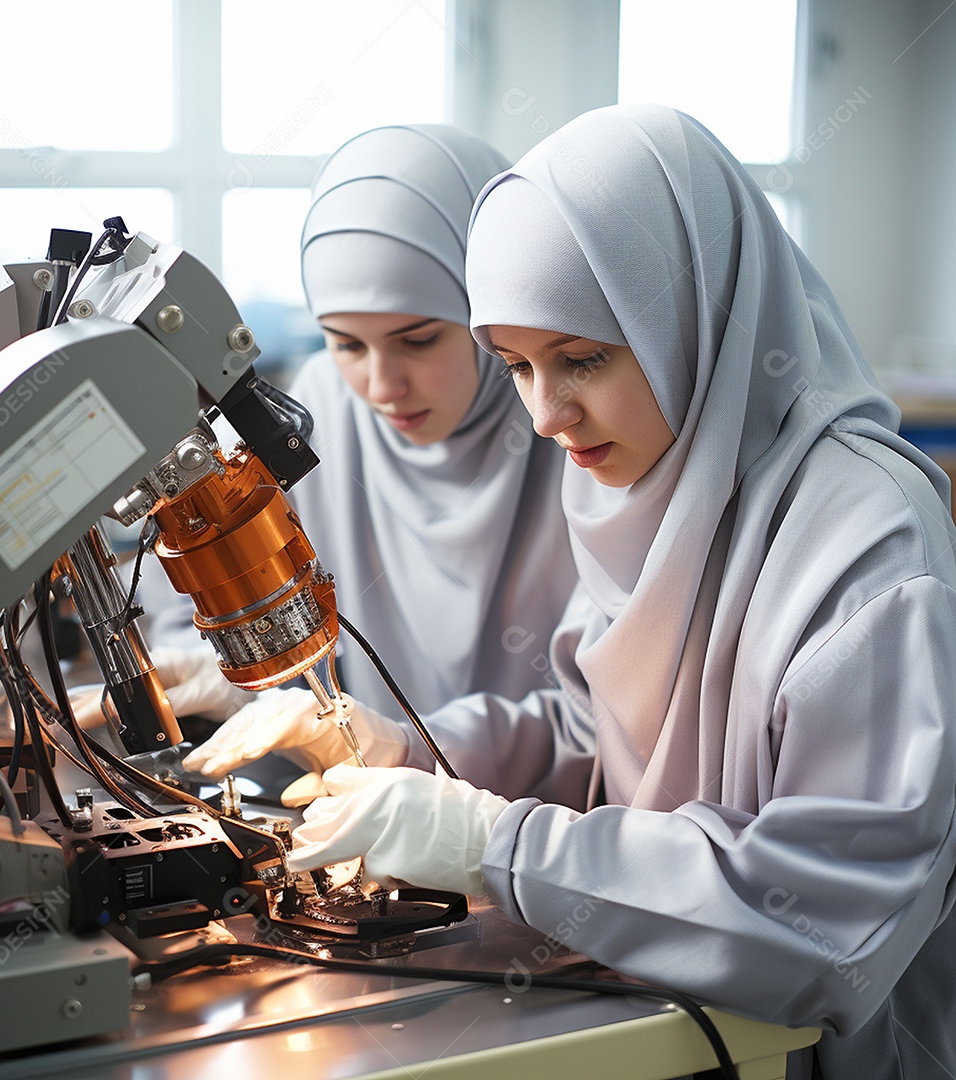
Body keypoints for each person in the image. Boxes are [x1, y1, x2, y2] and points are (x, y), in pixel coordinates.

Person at [234, 105, 956, 1079]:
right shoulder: (636, 480)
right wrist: (409, 750)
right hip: (677, 1019)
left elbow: (824, 922)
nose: (543, 413)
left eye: (582, 358)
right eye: (517, 366)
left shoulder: (867, 536)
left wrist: (497, 844)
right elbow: (594, 743)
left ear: (695, 314)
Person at [175, 125, 578, 787]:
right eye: (347, 345)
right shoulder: (322, 408)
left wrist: (410, 750)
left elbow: (601, 725)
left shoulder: (579, 434)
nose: (381, 388)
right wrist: (221, 679)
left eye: (417, 341)